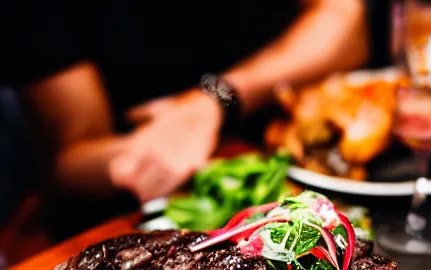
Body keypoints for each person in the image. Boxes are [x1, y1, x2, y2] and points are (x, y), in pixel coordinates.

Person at [0, 0, 380, 207]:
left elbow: (347, 24)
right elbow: (66, 161)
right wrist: (141, 155)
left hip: (305, 175)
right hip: (135, 210)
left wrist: (215, 100)